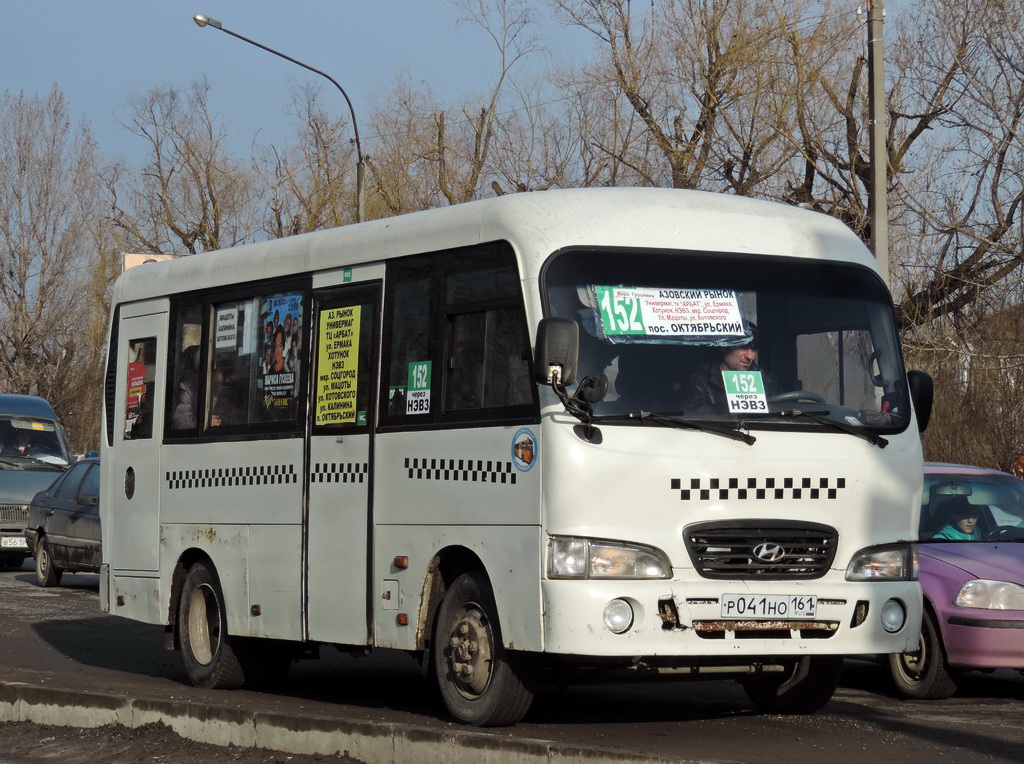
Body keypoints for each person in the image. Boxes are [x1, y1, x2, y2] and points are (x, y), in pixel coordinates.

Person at [683, 330, 773, 414]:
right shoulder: (700, 381)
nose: (750, 356)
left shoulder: (765, 380)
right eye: (743, 346)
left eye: (754, 349)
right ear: (724, 347)